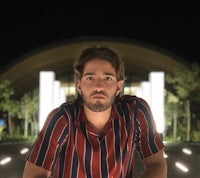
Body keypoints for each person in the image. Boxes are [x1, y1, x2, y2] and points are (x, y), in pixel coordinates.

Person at [23, 46, 167, 178]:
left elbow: (157, 164)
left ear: (119, 86)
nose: (99, 86)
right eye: (90, 78)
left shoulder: (135, 113)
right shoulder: (62, 120)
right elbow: (34, 175)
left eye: (107, 78)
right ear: (79, 85)